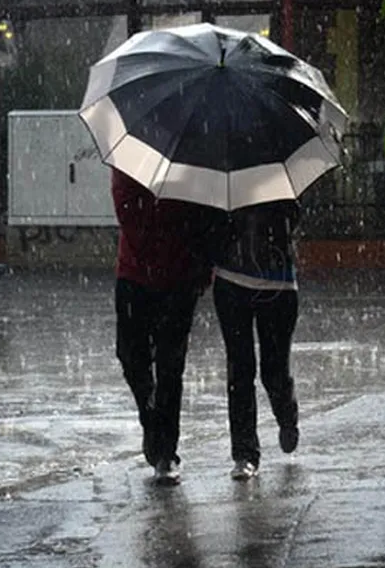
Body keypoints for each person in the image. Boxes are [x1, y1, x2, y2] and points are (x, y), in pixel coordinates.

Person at [112, 168, 212, 485]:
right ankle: (151, 417)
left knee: (170, 365)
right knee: (131, 358)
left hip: (180, 278)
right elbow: (126, 210)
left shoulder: (194, 163)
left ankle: (166, 451)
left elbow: (205, 217)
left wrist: (200, 265)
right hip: (135, 276)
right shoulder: (131, 162)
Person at [207, 200, 302, 481]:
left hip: (277, 285)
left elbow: (293, 220)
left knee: (274, 371)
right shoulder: (221, 178)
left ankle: (287, 415)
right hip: (231, 282)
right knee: (240, 370)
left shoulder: (281, 178)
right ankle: (245, 454)